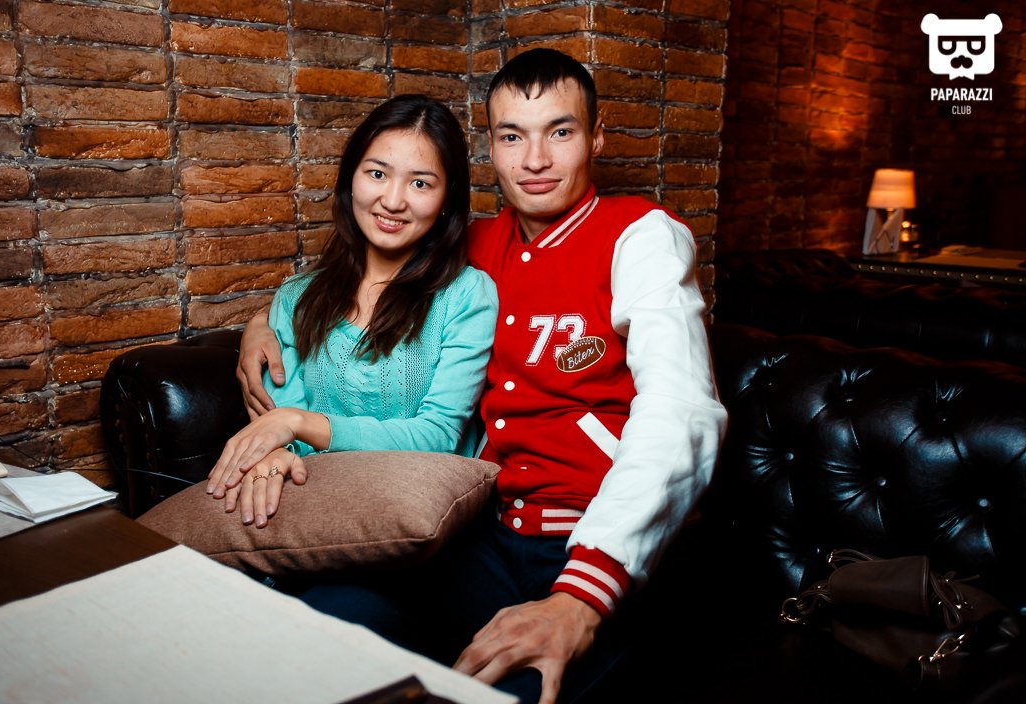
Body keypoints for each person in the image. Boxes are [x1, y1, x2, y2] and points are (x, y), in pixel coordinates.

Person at [237, 49, 728, 704]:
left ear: (597, 136)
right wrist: (259, 326)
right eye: (512, 136)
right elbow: (360, 275)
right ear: (490, 146)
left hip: (593, 538)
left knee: (520, 689)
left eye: (560, 132)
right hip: (484, 531)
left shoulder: (639, 237)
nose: (535, 160)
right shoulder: (469, 245)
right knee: (327, 623)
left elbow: (682, 412)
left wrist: (579, 599)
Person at [206, 94, 498, 530]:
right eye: (377, 174)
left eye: (420, 183)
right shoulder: (297, 298)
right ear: (350, 178)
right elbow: (278, 424)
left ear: (446, 199)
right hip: (320, 504)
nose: (393, 201)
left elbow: (438, 436)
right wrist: (278, 451)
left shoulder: (466, 295)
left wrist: (299, 424)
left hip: (423, 515)